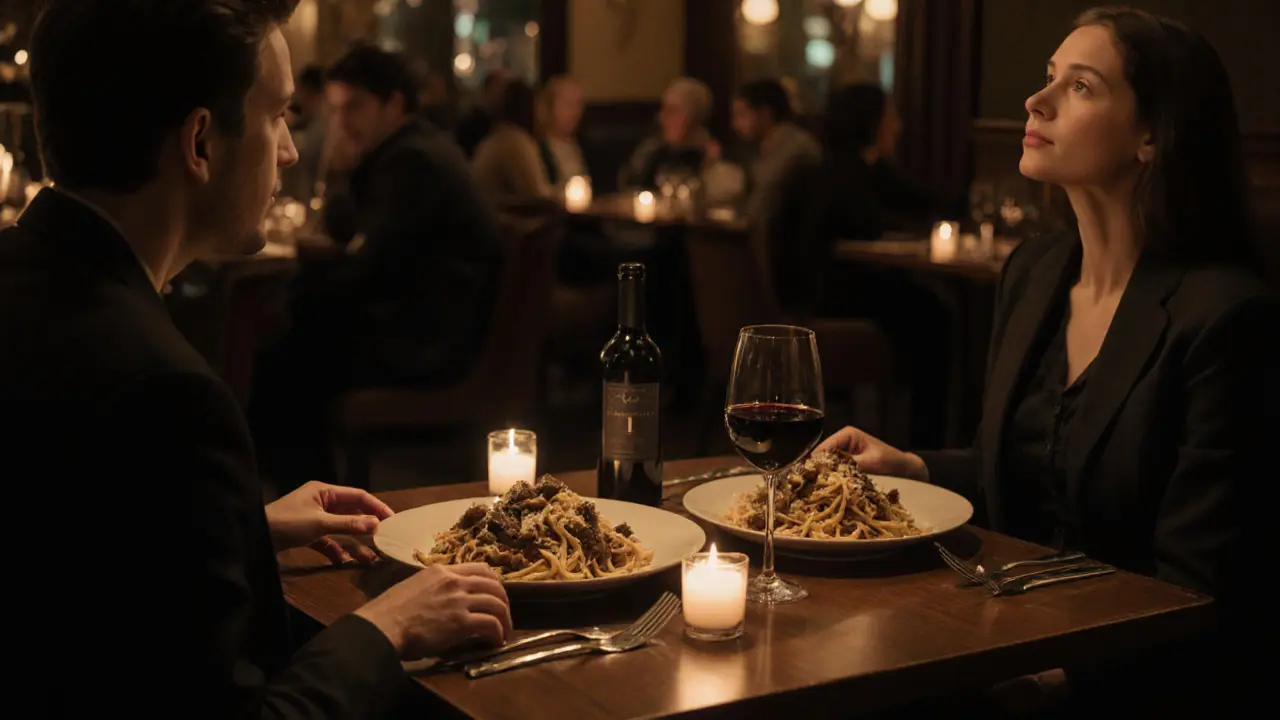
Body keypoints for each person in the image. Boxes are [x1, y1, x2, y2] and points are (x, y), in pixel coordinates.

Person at [1, 2, 512, 716]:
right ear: (200, 143)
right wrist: (387, 626)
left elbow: (64, 567)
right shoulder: (166, 395)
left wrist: (241, 529)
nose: (291, 151)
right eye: (278, 116)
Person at [818, 7, 1277, 714]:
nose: (1037, 100)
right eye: (1048, 77)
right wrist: (913, 467)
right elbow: (1019, 471)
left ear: (1153, 135)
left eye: (1081, 86)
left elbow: (1201, 588)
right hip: (1004, 627)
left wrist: (1056, 678)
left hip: (1128, 680)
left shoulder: (1224, 316)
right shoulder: (1035, 272)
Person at [249, 44, 504, 489]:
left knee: (282, 358)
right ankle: (308, 490)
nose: (342, 121)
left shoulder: (413, 161)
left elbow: (373, 270)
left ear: (395, 104)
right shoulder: (406, 151)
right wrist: (345, 171)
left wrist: (295, 296)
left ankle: (309, 494)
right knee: (291, 335)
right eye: (336, 109)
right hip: (426, 326)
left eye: (355, 107)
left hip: (431, 343)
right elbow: (360, 241)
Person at [730, 77, 820, 223]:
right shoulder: (766, 146)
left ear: (765, 114)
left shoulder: (793, 147)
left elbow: (764, 204)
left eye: (741, 115)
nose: (735, 124)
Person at [620, 76, 718, 191]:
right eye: (663, 109)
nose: (661, 117)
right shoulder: (651, 151)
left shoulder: (714, 160)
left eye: (672, 110)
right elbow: (629, 189)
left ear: (696, 118)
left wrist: (711, 165)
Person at [471, 79, 553, 203]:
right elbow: (538, 196)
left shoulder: (502, 136)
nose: (545, 117)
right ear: (529, 109)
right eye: (541, 108)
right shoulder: (515, 143)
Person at [455, 68, 511, 158]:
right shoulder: (470, 125)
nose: (505, 94)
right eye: (500, 88)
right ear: (487, 90)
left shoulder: (508, 124)